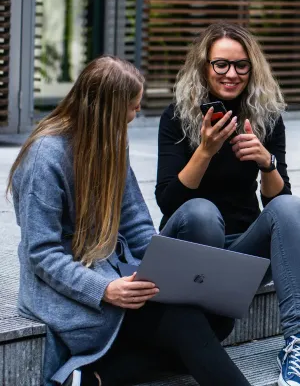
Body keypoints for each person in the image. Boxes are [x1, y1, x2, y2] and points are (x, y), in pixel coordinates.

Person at [8, 56, 252, 386]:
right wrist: (105, 289)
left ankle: (97, 377)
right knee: (186, 324)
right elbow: (43, 254)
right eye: (133, 107)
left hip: (116, 272)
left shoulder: (110, 144)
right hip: (67, 290)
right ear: (107, 109)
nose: (136, 115)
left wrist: (163, 269)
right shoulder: (44, 158)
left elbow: (136, 224)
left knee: (218, 319)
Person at [154, 22, 300, 386]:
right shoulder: (178, 116)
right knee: (202, 212)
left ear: (252, 68)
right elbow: (168, 201)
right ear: (204, 66)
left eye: (241, 65)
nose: (231, 74)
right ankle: (201, 329)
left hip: (242, 251)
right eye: (220, 64)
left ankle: (297, 345)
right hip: (191, 245)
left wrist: (265, 162)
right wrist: (206, 151)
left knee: (291, 207)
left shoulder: (265, 116)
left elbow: (277, 199)